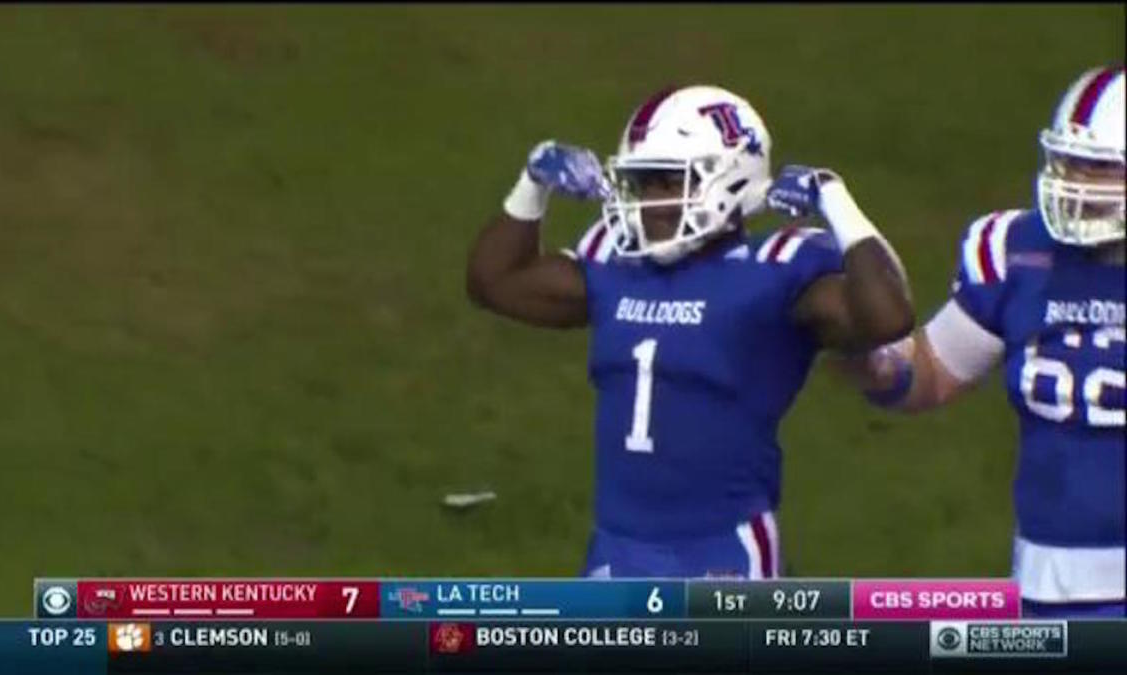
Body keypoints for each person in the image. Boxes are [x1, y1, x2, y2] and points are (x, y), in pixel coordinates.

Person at [466, 84, 914, 578]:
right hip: (616, 548)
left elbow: (887, 316)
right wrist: (533, 181)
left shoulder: (775, 270)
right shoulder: (617, 262)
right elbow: (494, 282)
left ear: (730, 181)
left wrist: (834, 198)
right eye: (643, 184)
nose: (650, 203)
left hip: (723, 553)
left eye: (668, 182)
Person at [844, 67, 1124, 617]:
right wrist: (880, 366)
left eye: (1101, 169)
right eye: (1070, 162)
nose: (1077, 183)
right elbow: (933, 371)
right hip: (1047, 582)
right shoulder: (1016, 251)